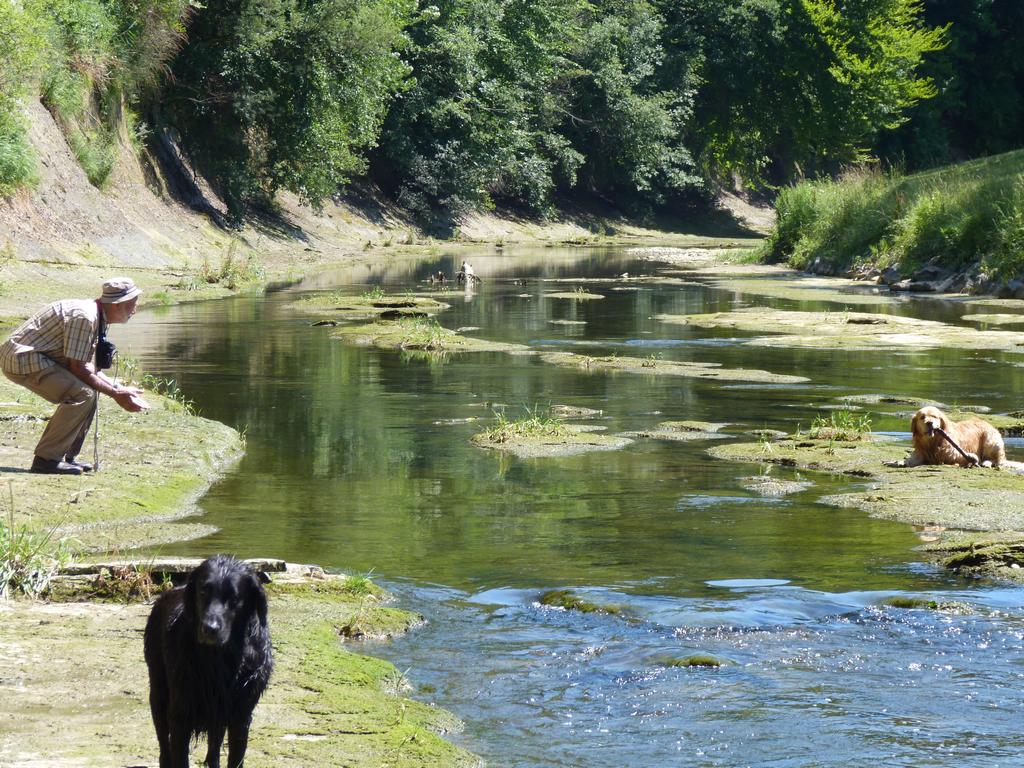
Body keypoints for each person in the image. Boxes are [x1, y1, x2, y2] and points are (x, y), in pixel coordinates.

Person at [0, 277, 150, 475]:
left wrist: (119, 389)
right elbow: (79, 368)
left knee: (91, 391)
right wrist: (115, 394)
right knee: (82, 394)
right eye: (132, 304)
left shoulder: (97, 315)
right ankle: (46, 460)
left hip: (37, 357)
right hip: (21, 360)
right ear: (118, 304)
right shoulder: (86, 317)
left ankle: (66, 456)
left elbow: (87, 367)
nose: (135, 309)